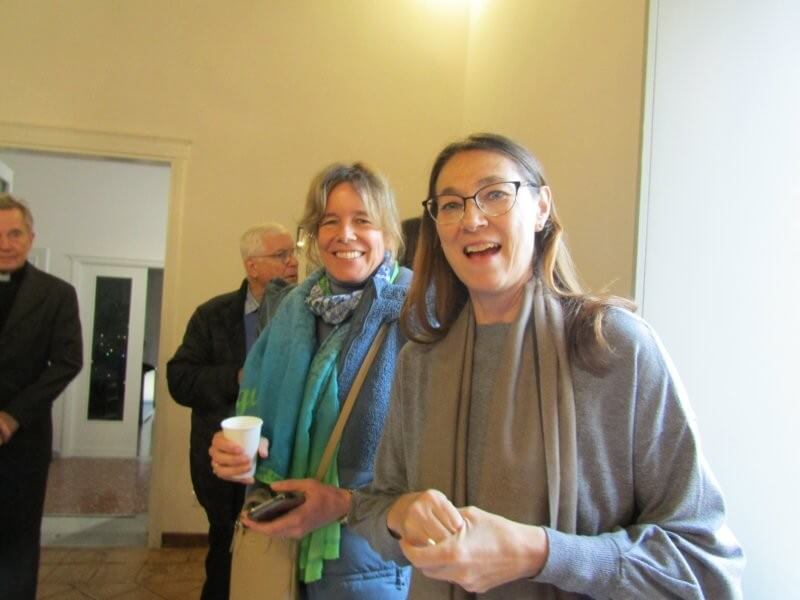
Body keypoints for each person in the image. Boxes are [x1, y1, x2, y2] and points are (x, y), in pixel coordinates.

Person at [348, 133, 745, 599]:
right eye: (451, 205)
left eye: (495, 194)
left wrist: (541, 554)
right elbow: (373, 507)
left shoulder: (617, 349)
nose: (472, 219)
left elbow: (702, 563)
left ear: (541, 208)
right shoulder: (420, 363)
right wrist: (402, 514)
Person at [209, 162, 412, 599]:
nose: (345, 234)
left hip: (370, 562)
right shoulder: (291, 311)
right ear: (315, 234)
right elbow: (263, 422)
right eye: (330, 221)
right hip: (283, 549)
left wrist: (343, 505)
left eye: (363, 220)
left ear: (387, 232)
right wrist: (240, 455)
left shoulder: (415, 313)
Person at [167, 223, 298, 600]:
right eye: (281, 255)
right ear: (251, 266)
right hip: (224, 464)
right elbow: (180, 379)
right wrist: (238, 377)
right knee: (224, 559)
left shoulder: (305, 314)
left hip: (285, 461)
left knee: (279, 563)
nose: (293, 262)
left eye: (293, 252)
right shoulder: (212, 316)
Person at [0, 194, 83, 600]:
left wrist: (12, 416)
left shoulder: (57, 294)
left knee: (18, 540)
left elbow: (67, 362)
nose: (5, 244)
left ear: (31, 238)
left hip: (24, 437)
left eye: (14, 234)